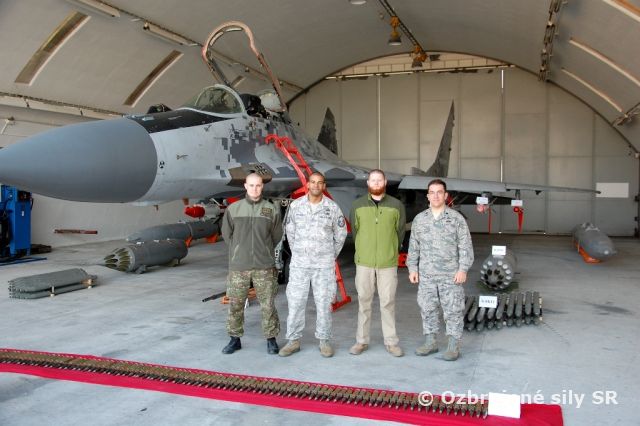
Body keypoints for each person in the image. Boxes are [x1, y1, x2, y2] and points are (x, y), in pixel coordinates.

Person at [278, 172, 347, 358]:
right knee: (295, 303)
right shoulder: (296, 206)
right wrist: (300, 252)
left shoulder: (332, 208)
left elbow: (340, 234)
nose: (316, 185)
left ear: (324, 186)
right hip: (300, 265)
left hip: (323, 266)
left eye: (319, 183)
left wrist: (329, 255)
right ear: (307, 185)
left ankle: (324, 341)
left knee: (324, 304)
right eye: (313, 182)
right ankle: (293, 341)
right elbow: (290, 232)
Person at [407, 178, 474, 361]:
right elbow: (414, 246)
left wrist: (463, 269)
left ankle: (453, 346)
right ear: (427, 196)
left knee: (453, 310)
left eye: (439, 192)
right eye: (432, 192)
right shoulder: (420, 219)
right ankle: (430, 343)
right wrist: (412, 268)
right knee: (427, 308)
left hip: (450, 276)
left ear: (445, 195)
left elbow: (465, 246)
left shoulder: (456, 219)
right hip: (427, 275)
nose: (435, 196)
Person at [220, 173, 282, 355]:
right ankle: (234, 339)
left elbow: (276, 235)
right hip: (239, 266)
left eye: (258, 185)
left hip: (264, 266)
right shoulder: (234, 209)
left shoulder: (271, 209)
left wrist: (265, 250)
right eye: (252, 185)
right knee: (236, 304)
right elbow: (227, 235)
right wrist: (239, 250)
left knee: (268, 305)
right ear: (245, 186)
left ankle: (271, 339)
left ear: (262, 186)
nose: (255, 189)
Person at [349, 169, 406, 357]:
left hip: (387, 263)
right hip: (364, 263)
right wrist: (363, 249)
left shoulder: (396, 205)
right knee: (363, 302)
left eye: (379, 180)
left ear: (385, 182)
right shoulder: (357, 205)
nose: (376, 183)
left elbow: (399, 233)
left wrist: (390, 251)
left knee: (387, 302)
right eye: (372, 180)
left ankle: (391, 342)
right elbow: (355, 232)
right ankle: (361, 341)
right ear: (368, 183)